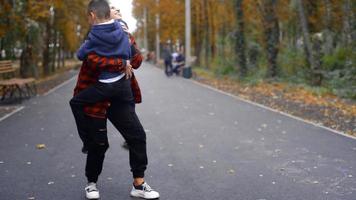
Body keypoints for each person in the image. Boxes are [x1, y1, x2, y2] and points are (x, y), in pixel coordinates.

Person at [69, 1, 160, 199]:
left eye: (119, 10)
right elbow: (91, 61)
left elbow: (136, 62)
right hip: (97, 96)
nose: (117, 11)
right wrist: (121, 62)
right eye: (113, 9)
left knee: (137, 136)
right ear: (103, 14)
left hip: (120, 96)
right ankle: (91, 183)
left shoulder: (123, 34)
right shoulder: (96, 34)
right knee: (99, 145)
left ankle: (139, 183)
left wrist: (127, 39)